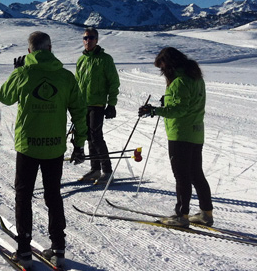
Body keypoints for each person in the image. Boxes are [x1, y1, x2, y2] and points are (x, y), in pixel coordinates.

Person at [0, 31, 87, 268]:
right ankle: (58, 247)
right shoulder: (66, 76)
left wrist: (17, 71)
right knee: (53, 196)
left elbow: (5, 97)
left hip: (28, 146)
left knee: (24, 196)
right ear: (50, 49)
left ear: (29, 51)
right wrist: (79, 143)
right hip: (54, 147)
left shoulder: (24, 73)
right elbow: (79, 112)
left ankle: (24, 251)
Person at [138, 47, 213, 228]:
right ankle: (206, 213)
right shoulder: (196, 78)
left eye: (163, 68)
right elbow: (186, 103)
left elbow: (180, 109)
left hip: (180, 133)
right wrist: (166, 103)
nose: (163, 72)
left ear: (170, 65)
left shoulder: (179, 81)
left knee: (182, 176)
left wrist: (155, 110)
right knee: (196, 174)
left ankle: (182, 216)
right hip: (196, 133)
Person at [75, 27, 120, 183]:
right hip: (83, 105)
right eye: (85, 38)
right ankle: (95, 169)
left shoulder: (105, 59)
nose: (88, 41)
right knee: (88, 136)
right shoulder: (81, 60)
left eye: (91, 38)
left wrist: (111, 104)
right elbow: (77, 83)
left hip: (97, 104)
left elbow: (113, 83)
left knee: (96, 136)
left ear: (97, 40)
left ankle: (107, 171)